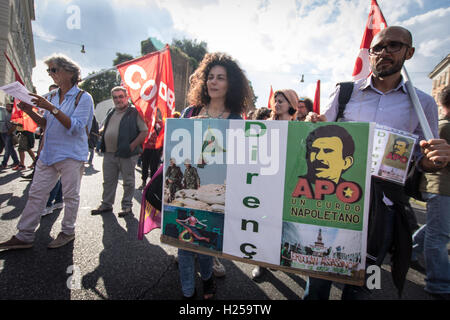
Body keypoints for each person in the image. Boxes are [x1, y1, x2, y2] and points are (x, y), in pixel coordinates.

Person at [304, 26, 450, 299]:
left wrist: (432, 162)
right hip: (334, 201)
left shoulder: (424, 103)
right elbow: (320, 133)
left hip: (384, 208)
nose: (384, 52)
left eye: (394, 46)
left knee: (362, 286)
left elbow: (421, 159)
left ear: (410, 52)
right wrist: (312, 123)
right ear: (369, 54)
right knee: (318, 280)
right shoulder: (346, 92)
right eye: (378, 48)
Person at [0, 54, 94, 250]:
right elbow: (45, 124)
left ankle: (68, 231)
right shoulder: (50, 96)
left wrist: (51, 108)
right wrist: (30, 111)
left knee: (70, 196)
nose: (50, 74)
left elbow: (76, 127)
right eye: (49, 71)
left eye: (54, 70)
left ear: (69, 72)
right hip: (49, 153)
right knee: (36, 194)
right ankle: (24, 235)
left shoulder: (83, 97)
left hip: (71, 154)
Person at [178, 52, 253, 299]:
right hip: (189, 187)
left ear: (230, 84)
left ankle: (208, 278)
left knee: (206, 241)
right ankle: (188, 293)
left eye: (220, 78)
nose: (213, 82)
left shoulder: (236, 120)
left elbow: (241, 160)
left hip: (219, 191)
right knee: (185, 242)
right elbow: (175, 148)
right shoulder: (190, 112)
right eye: (210, 77)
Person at [252, 89, 299, 280]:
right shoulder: (265, 126)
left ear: (291, 105)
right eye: (276, 100)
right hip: (266, 183)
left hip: (288, 184)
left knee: (282, 225)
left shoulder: (299, 128)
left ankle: (276, 257)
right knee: (264, 223)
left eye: (282, 101)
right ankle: (260, 263)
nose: (277, 104)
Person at [412, 85, 450, 299]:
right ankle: (439, 284)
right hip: (441, 188)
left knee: (435, 228)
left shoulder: (441, 125)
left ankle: (408, 250)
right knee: (439, 235)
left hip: (440, 188)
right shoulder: (445, 127)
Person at [91, 86, 148, 218]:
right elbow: (107, 127)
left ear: (126, 97)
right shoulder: (111, 111)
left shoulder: (134, 112)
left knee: (128, 182)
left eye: (121, 96)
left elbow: (144, 131)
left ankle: (127, 206)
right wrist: (100, 133)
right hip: (109, 152)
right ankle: (106, 204)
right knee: (108, 181)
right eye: (115, 97)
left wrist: (132, 146)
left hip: (127, 153)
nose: (118, 100)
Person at [140, 114, 164, 190]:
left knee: (154, 167)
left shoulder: (162, 123)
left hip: (156, 148)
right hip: (146, 147)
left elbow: (163, 136)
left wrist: (162, 148)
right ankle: (143, 182)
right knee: (145, 165)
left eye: (155, 113)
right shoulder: (147, 122)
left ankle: (152, 184)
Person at [0, 103, 20, 169]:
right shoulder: (4, 111)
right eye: (6, 106)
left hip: (9, 134)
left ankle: (4, 163)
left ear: (12, 107)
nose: (7, 108)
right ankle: (16, 162)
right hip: (3, 132)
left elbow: (15, 125)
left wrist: (9, 132)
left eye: (8, 107)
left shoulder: (14, 114)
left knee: (7, 149)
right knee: (10, 149)